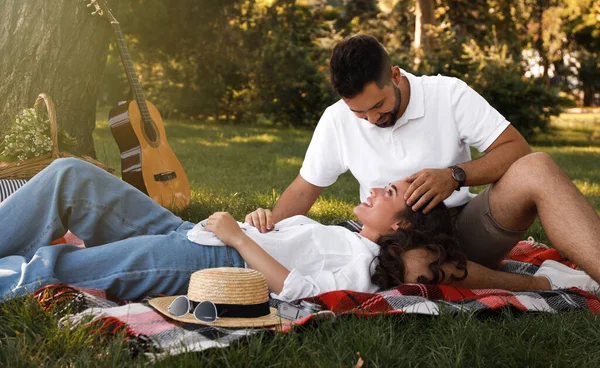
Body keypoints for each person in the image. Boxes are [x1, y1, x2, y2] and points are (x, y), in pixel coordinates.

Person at [245, 34, 600, 284]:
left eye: (378, 106)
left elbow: (515, 149)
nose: (372, 120)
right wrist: (263, 231)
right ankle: (536, 285)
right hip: (399, 243)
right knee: (411, 268)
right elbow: (305, 190)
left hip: (466, 228)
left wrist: (455, 175)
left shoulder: (448, 94)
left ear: (395, 76)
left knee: (537, 166)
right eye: (359, 112)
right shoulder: (336, 118)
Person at [2, 158, 590, 303]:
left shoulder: (369, 268)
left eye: (391, 193)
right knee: (70, 176)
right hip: (200, 232)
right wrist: (259, 224)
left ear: (404, 226)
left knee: (51, 271)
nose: (378, 187)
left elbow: (298, 291)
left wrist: (240, 240)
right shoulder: (357, 239)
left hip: (204, 261)